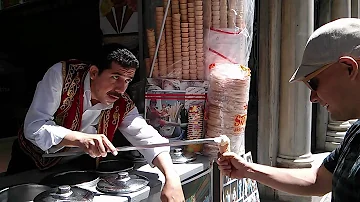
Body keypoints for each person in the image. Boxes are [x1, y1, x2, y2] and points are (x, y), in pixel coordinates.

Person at [7, 43, 185, 201]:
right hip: (30, 162)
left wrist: (171, 177)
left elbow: (145, 136)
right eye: (115, 77)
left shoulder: (121, 103)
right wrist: (79, 138)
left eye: (127, 81)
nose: (122, 89)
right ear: (94, 72)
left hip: (74, 169)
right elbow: (34, 126)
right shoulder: (61, 76)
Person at [218, 18, 360, 202]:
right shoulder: (355, 133)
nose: (313, 97)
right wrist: (248, 170)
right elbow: (318, 181)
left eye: (313, 82)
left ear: (349, 68)